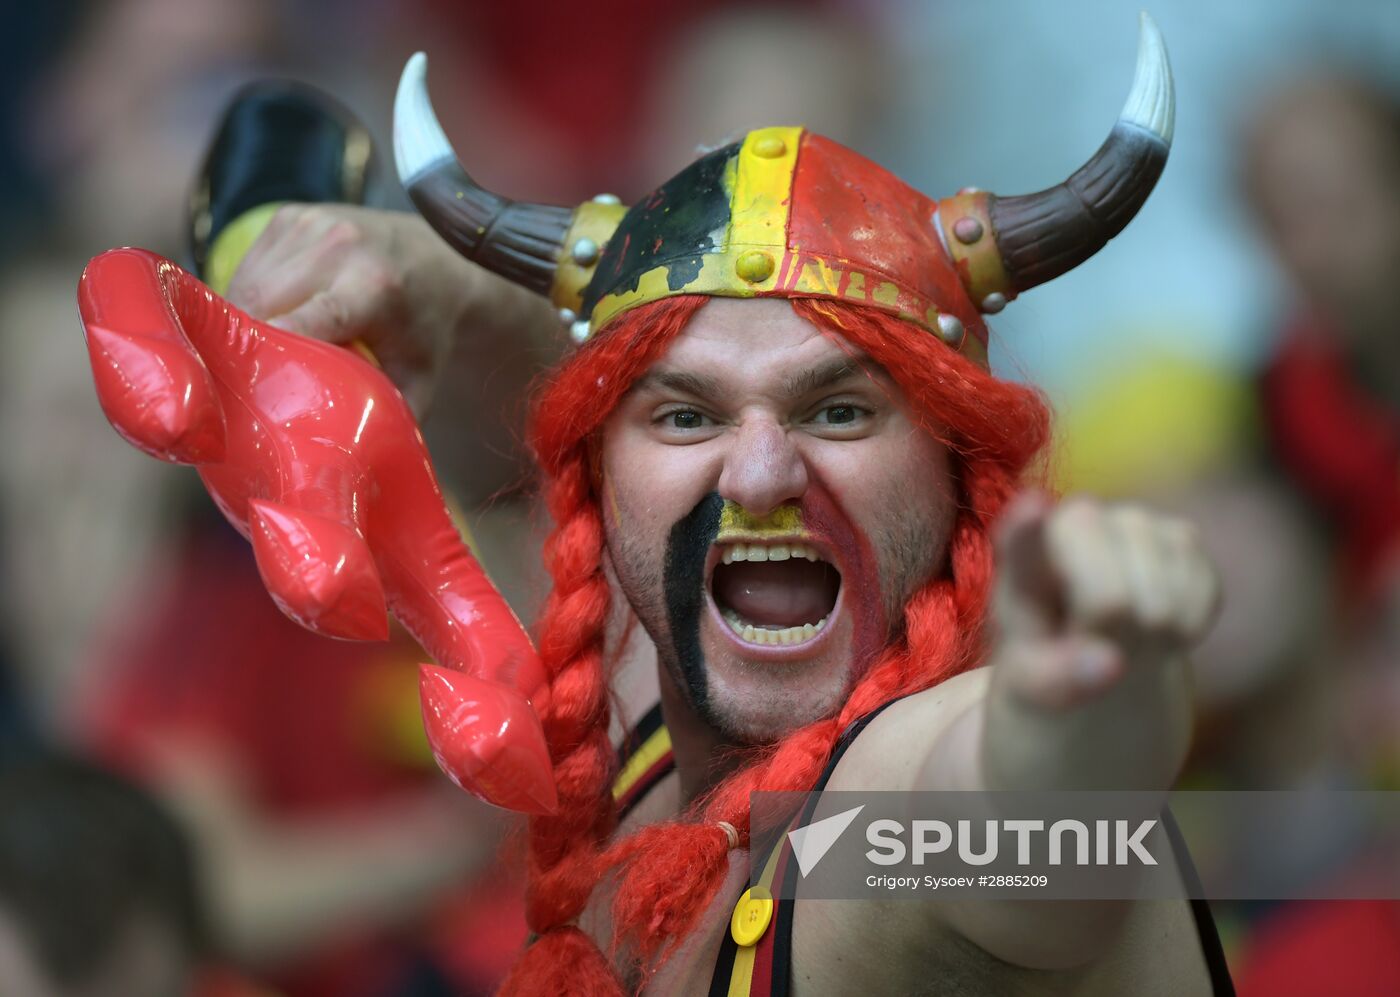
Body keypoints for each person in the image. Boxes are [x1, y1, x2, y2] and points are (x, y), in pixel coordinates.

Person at [122, 14, 1230, 996]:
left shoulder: (896, 805)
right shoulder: (651, 689)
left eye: (837, 412)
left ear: (956, 470)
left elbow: (1036, 823)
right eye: (687, 419)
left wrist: (1085, 694)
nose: (756, 476)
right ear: (604, 476)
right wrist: (453, 288)